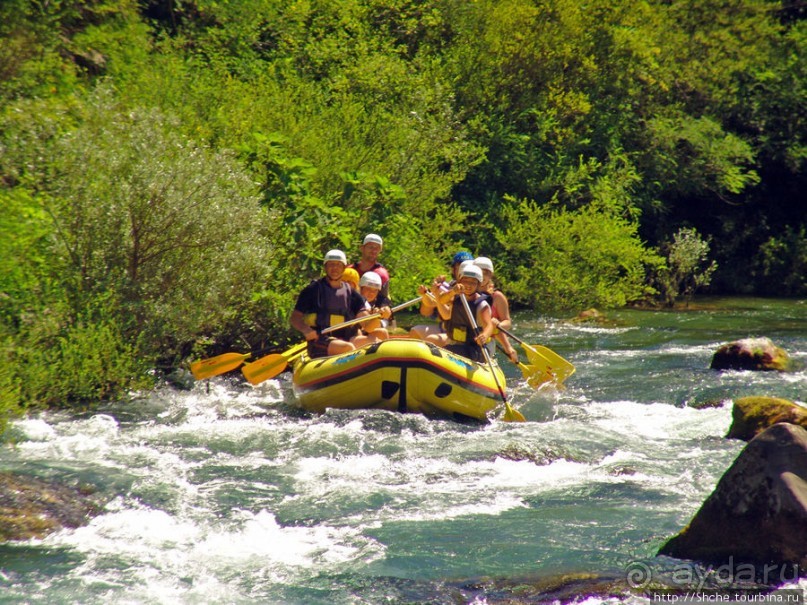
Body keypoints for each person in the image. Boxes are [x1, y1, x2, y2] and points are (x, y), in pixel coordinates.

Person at [290, 249, 370, 358]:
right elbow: (295, 317)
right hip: (321, 340)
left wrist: (376, 315)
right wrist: (306, 330)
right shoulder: (313, 290)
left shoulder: (351, 293)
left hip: (346, 338)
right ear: (325, 267)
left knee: (374, 340)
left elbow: (364, 319)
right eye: (331, 264)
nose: (335, 268)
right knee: (348, 348)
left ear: (344, 268)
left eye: (338, 265)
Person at [424, 263, 495, 362]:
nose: (468, 285)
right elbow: (441, 300)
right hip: (456, 344)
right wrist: (453, 291)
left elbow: (489, 325)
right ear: (459, 281)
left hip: (475, 349)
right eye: (465, 281)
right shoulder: (456, 297)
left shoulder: (481, 305)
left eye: (473, 282)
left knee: (449, 351)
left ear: (478, 285)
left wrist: (485, 335)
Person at [410, 250, 474, 340]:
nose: (464, 270)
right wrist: (427, 294)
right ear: (453, 269)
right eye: (461, 266)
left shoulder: (473, 288)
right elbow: (426, 310)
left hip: (463, 333)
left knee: (432, 339)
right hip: (445, 329)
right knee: (415, 331)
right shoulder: (446, 286)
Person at [474, 256, 519, 363]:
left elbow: (507, 322)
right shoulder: (468, 293)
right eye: (479, 272)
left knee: (492, 321)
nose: (483, 276)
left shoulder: (497, 296)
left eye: (486, 273)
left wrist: (497, 325)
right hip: (468, 338)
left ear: (491, 275)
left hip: (487, 340)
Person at [350, 271, 393, 345]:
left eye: (375, 290)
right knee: (361, 334)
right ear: (361, 288)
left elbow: (371, 328)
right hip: (347, 336)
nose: (372, 293)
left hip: (359, 333)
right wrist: (377, 317)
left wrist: (378, 316)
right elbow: (367, 328)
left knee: (382, 332)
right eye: (368, 289)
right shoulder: (356, 299)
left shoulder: (374, 302)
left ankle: (386, 355)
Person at [349, 233, 390, 298]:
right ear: (362, 248)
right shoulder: (350, 270)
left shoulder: (382, 274)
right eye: (370, 247)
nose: (374, 251)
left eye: (377, 248)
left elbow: (384, 299)